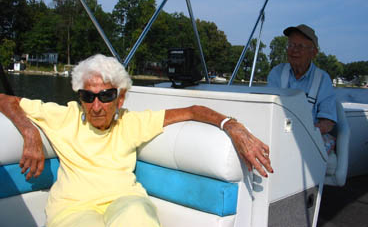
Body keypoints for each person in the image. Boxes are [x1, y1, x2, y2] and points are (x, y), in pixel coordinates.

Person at [0, 54, 273, 227]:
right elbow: (5, 100)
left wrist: (232, 125)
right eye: (88, 96)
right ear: (79, 97)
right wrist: (30, 132)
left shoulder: (132, 122)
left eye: (106, 96)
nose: (96, 106)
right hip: (73, 207)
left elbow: (192, 111)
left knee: (138, 217)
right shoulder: (63, 116)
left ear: (120, 98)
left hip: (125, 201)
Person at [267, 24, 337, 152]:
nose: (294, 50)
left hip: (309, 134)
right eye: (291, 45)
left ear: (314, 52)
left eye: (300, 46)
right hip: (276, 131)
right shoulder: (276, 73)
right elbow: (267, 111)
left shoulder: (323, 79)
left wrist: (301, 133)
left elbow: (328, 123)